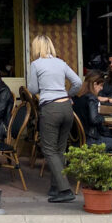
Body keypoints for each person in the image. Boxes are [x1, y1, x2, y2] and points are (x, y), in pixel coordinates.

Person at [27, 34, 81, 203]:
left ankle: (65, 190)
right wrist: (67, 94)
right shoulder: (61, 63)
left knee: (49, 149)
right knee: (60, 150)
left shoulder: (35, 65)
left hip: (50, 108)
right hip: (66, 107)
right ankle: (56, 187)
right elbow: (78, 82)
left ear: (36, 48)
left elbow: (33, 88)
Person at [72, 70, 112, 153]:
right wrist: (104, 118)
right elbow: (94, 119)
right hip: (91, 141)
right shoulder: (92, 99)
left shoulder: (77, 98)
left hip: (77, 141)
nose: (102, 88)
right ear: (94, 84)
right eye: (101, 85)